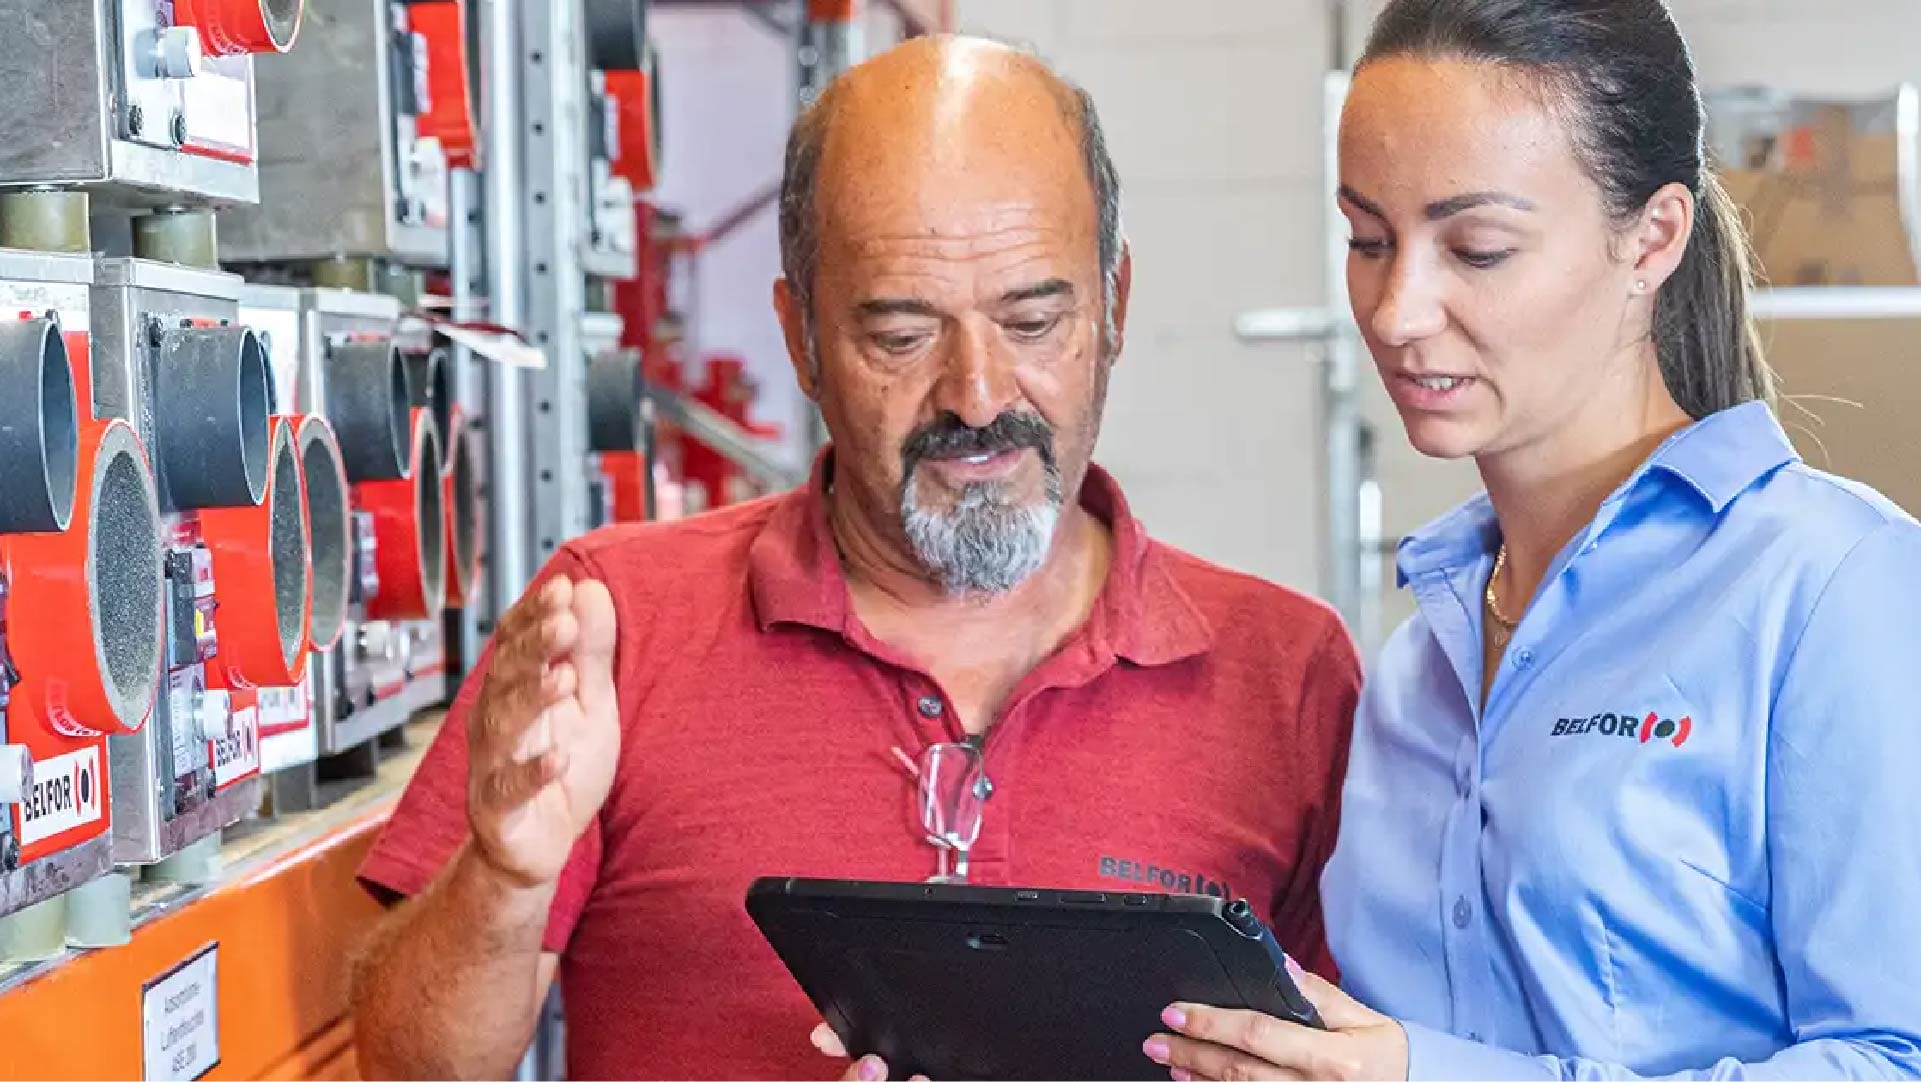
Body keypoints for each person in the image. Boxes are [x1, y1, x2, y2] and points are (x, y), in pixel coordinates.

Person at [349, 35, 1360, 1081]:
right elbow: (407, 1067)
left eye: (1032, 319)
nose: (976, 393)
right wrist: (505, 879)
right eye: (901, 332)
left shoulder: (1284, 672)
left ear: (1114, 307)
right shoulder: (615, 621)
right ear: (801, 337)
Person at [1137, 1, 1921, 1079]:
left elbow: (1896, 1055)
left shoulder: (1834, 585)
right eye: (1368, 240)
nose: (1397, 308)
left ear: (1651, 238)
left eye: (1478, 247)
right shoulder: (1416, 667)